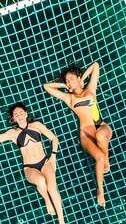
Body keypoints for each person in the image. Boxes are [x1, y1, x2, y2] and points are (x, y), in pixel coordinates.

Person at [0, 103, 69, 224]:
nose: (19, 116)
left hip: (45, 162)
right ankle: (47, 200)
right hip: (29, 167)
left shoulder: (36, 125)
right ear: (13, 118)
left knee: (53, 188)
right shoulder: (13, 134)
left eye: (20, 113)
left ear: (26, 113)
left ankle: (62, 221)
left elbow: (54, 138)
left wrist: (53, 156)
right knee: (41, 181)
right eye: (16, 115)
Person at [43, 62, 113, 207]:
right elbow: (47, 87)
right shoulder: (69, 98)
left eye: (72, 79)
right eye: (67, 80)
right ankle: (101, 191)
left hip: (102, 126)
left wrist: (82, 79)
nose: (69, 82)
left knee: (101, 136)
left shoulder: (91, 89)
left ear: (78, 77)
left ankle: (107, 160)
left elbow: (96, 65)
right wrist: (64, 86)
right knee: (98, 157)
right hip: (85, 134)